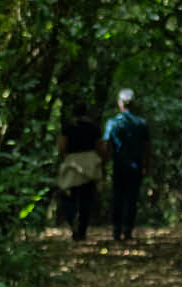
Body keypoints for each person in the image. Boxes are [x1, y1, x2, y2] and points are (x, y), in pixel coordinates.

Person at [102, 89, 151, 242]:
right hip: (135, 167)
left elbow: (106, 145)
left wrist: (104, 163)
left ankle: (117, 230)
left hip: (119, 166)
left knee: (118, 197)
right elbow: (147, 147)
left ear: (120, 103)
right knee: (131, 198)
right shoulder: (141, 123)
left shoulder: (113, 123)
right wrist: (146, 165)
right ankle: (127, 230)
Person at [56, 102, 107, 241]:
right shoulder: (94, 128)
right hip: (90, 164)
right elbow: (100, 147)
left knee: (69, 196)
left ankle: (73, 224)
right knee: (86, 198)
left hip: (72, 164)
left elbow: (62, 146)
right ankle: (82, 230)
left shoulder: (68, 127)